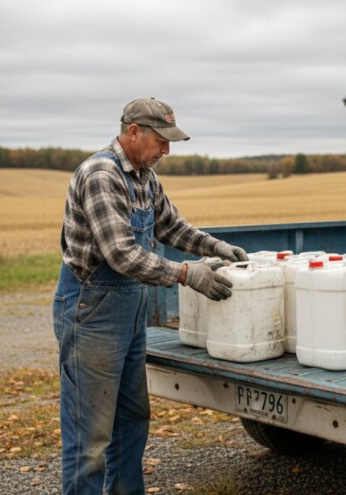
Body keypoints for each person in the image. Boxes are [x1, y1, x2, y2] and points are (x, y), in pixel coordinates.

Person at [52, 97, 248, 495]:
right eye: (161, 140)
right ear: (134, 131)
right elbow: (121, 253)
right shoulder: (101, 175)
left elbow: (172, 228)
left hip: (129, 310)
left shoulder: (144, 176)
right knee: (90, 436)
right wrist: (186, 274)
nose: (167, 151)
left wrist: (216, 247)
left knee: (131, 418)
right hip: (93, 313)